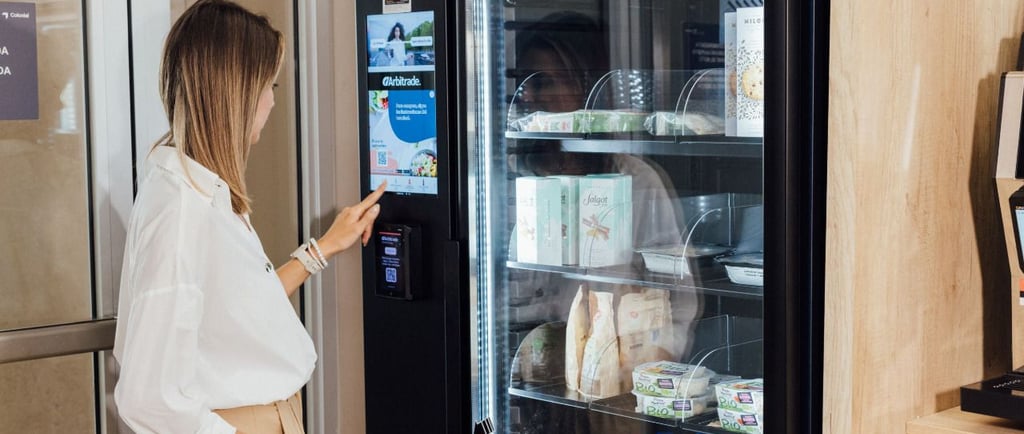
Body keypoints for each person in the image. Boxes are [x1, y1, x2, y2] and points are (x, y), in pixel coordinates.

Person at [111, 1, 385, 433]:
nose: (274, 102)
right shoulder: (184, 211)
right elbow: (147, 397)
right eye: (269, 84)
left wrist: (324, 247)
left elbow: (237, 312)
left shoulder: (197, 188)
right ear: (236, 91)